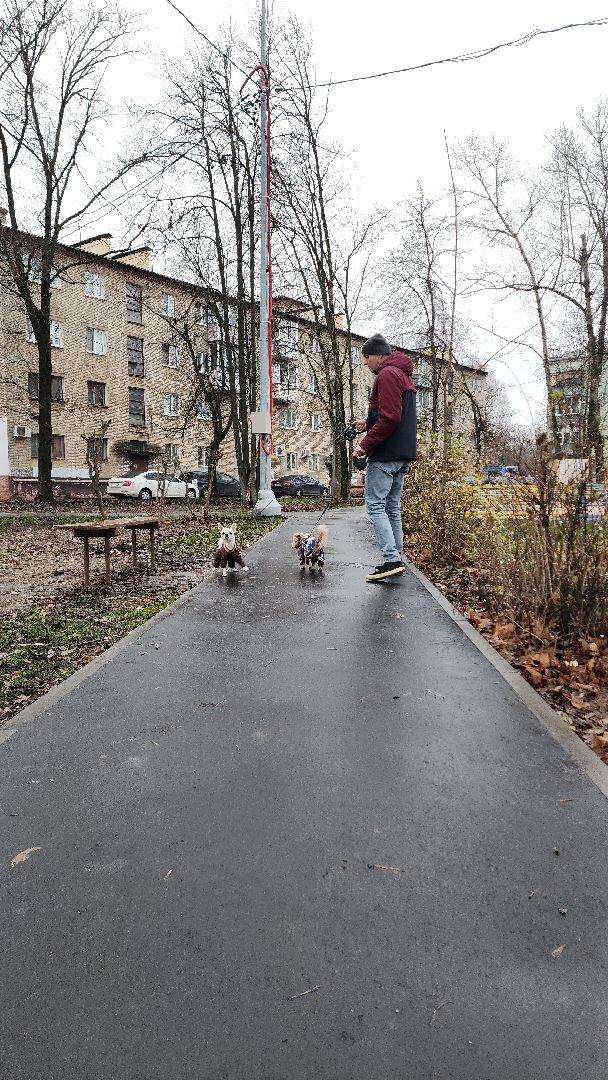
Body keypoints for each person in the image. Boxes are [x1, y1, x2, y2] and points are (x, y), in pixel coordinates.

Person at [353, 333, 416, 582]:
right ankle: (396, 557)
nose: (365, 362)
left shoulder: (387, 375)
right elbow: (392, 414)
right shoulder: (402, 374)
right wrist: (367, 422)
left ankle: (390, 559)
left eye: (367, 357)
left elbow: (390, 418)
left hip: (386, 454)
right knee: (391, 506)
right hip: (401, 453)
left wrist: (365, 445)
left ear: (379, 354)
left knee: (375, 506)